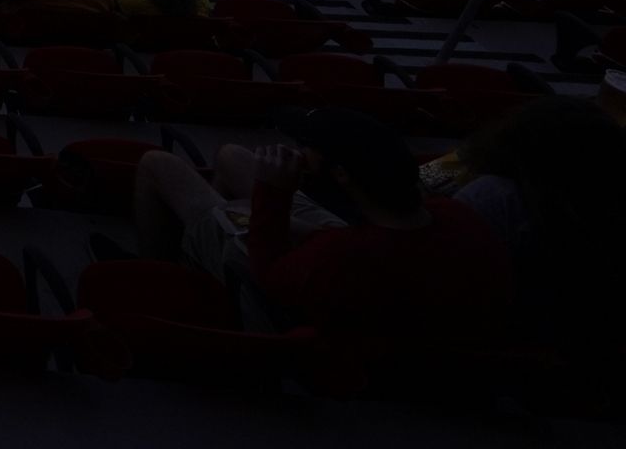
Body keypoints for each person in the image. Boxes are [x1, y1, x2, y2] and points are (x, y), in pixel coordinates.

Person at [133, 107, 510, 354]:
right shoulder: (456, 218)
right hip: (358, 244)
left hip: (281, 289)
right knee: (232, 155)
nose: (300, 151)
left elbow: (269, 269)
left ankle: (167, 276)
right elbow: (364, 241)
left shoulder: (337, 259)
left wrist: (271, 196)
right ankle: (203, 246)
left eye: (308, 148)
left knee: (157, 163)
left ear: (341, 174)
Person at [421, 90, 626, 363]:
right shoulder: (603, 207)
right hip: (573, 348)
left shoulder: (492, 195)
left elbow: (420, 182)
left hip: (484, 338)